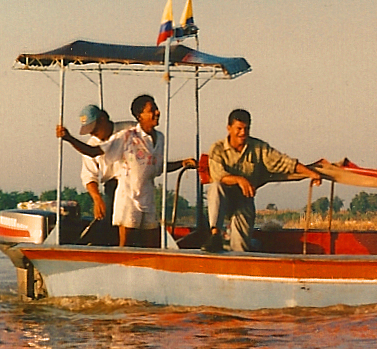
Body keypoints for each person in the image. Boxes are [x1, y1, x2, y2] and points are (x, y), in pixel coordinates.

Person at [57, 94, 195, 248]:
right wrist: (69, 138)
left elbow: (156, 166)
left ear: (102, 120)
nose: (157, 113)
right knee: (121, 238)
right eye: (152, 110)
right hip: (122, 190)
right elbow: (91, 157)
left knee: (150, 241)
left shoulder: (152, 136)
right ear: (139, 116)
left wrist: (182, 163)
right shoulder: (125, 136)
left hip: (147, 194)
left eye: (94, 129)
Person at [202, 109, 322, 252]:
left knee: (240, 248)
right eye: (238, 129)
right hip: (224, 198)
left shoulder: (258, 148)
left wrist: (311, 173)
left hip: (244, 199)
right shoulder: (217, 148)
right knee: (216, 187)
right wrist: (240, 180)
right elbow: (218, 176)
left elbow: (284, 162)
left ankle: (253, 244)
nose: (242, 133)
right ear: (229, 128)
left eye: (246, 129)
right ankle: (215, 235)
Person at [76, 104, 133, 245]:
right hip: (112, 184)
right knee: (107, 221)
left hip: (135, 182)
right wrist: (96, 198)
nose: (93, 134)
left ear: (103, 119)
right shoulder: (91, 144)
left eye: (94, 130)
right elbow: (89, 175)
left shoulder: (130, 129)